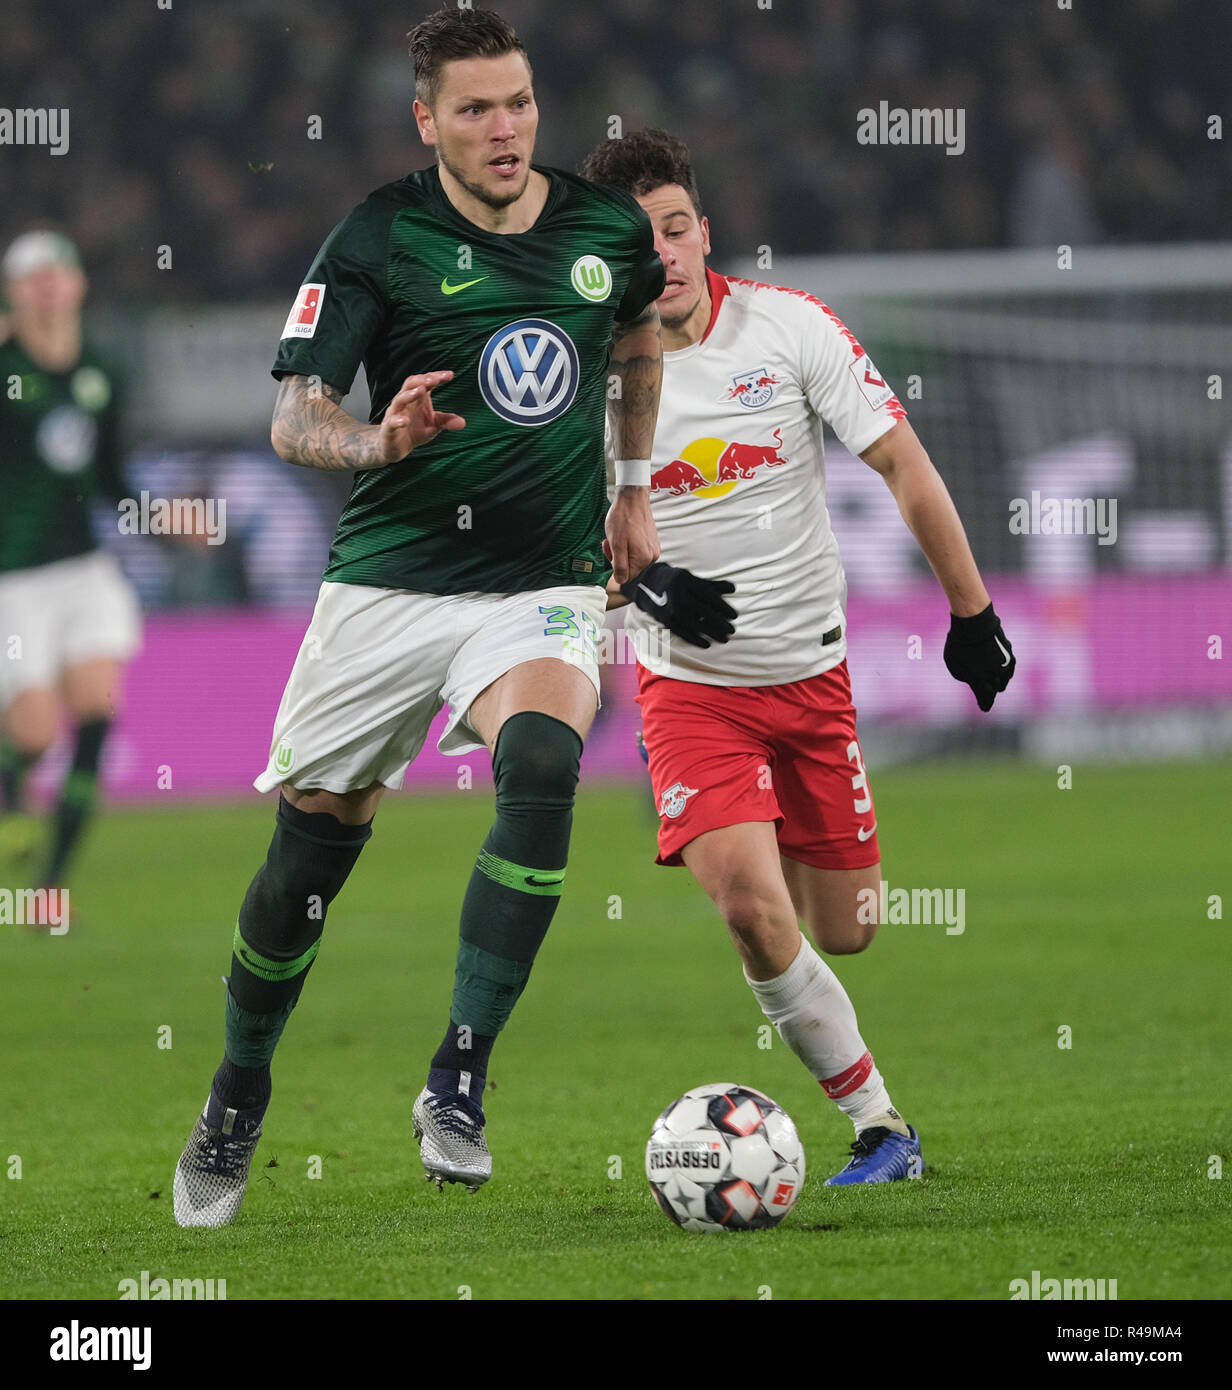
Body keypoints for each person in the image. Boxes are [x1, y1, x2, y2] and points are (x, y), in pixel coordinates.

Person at [173, 6, 671, 1226]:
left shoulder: (603, 228)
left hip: (538, 582)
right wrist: (376, 438)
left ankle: (458, 1074)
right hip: (388, 585)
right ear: (426, 119)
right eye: (475, 110)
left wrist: (632, 485)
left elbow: (640, 340)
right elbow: (295, 420)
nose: (504, 130)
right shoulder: (378, 239)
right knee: (306, 863)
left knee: (545, 760)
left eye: (519, 103)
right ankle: (237, 1091)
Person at [583, 129, 1016, 1184]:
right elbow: (551, 544)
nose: (667, 255)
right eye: (643, 241)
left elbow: (902, 464)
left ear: (703, 234)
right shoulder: (587, 375)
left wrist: (969, 613)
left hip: (812, 680)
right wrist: (639, 586)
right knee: (744, 898)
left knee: (849, 926)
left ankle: (778, 918)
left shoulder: (788, 328)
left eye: (678, 229)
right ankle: (880, 1126)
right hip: (687, 689)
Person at [0, 230, 141, 922]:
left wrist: (158, 517)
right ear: (14, 292)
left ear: (78, 286)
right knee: (31, 735)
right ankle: (8, 792)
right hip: (11, 579)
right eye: (32, 278)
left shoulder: (103, 371)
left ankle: (50, 884)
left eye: (58, 273)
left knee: (96, 706)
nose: (47, 286)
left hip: (83, 569)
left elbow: (111, 476)